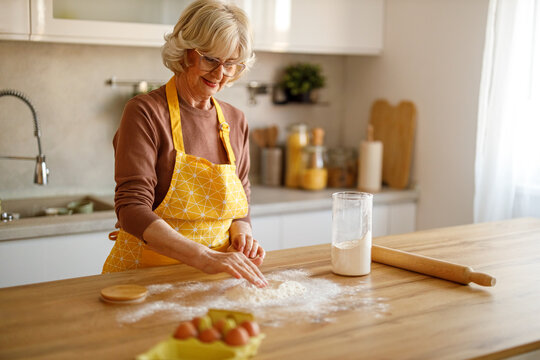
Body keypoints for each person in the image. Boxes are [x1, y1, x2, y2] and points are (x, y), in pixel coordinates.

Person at [102, 0, 268, 288]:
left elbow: (242, 194)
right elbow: (131, 208)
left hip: (213, 280)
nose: (220, 74)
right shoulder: (144, 112)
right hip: (143, 280)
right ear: (185, 52)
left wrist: (242, 232)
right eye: (210, 59)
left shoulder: (235, 120)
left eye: (231, 64)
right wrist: (203, 257)